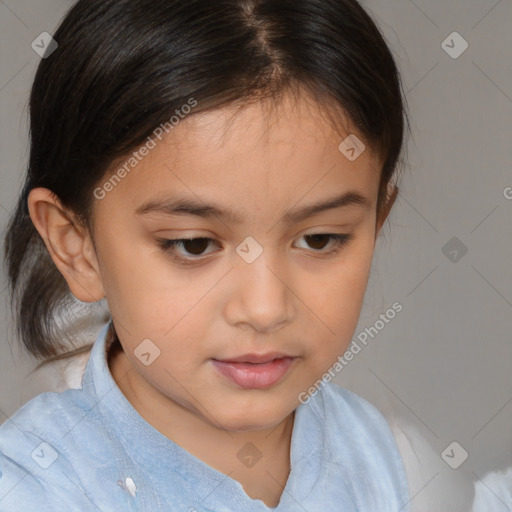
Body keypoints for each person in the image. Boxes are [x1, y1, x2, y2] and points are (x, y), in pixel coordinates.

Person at [0, 0, 416, 509]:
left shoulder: (377, 449)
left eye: (320, 239)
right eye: (193, 245)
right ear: (76, 245)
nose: (264, 309)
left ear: (376, 220)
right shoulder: (29, 489)